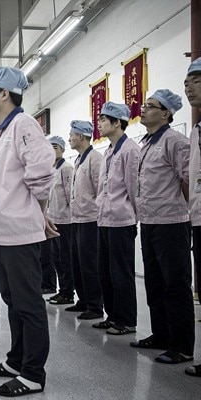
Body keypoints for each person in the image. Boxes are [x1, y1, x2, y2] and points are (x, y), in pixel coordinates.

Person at [0, 66, 56, 397]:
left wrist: (40, 213)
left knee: (28, 303)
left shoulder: (24, 125)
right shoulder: (1, 131)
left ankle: (33, 373)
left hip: (20, 232)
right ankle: (17, 360)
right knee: (12, 300)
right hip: (2, 232)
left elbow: (41, 173)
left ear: (4, 94)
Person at [130, 89, 194, 365]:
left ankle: (182, 346)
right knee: (155, 283)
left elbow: (188, 180)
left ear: (166, 113)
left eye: (150, 106)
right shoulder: (146, 142)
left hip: (171, 223)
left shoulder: (175, 142)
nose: (143, 109)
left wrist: (190, 216)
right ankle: (161, 335)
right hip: (150, 221)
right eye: (144, 105)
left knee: (175, 284)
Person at [94, 102, 139, 335]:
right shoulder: (109, 151)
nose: (99, 123)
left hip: (122, 220)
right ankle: (112, 316)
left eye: (104, 119)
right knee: (105, 271)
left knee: (121, 273)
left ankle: (126, 320)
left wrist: (133, 217)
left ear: (117, 123)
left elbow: (134, 188)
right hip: (105, 219)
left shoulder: (130, 150)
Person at [67, 120, 104, 320]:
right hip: (77, 219)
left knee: (90, 264)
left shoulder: (95, 159)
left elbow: (101, 190)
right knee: (77, 263)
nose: (69, 139)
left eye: (71, 135)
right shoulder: (79, 160)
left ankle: (95, 306)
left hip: (90, 220)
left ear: (81, 136)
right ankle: (83, 300)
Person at [46, 136, 75, 306]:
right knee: (56, 258)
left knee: (65, 258)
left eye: (55, 147)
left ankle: (68, 292)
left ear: (63, 150)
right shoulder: (52, 170)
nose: (52, 150)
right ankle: (62, 290)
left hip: (65, 221)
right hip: (54, 220)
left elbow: (71, 195)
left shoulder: (66, 168)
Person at [186, 57, 201, 377]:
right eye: (187, 83)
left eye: (196, 81)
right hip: (197, 217)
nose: (189, 88)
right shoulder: (196, 130)